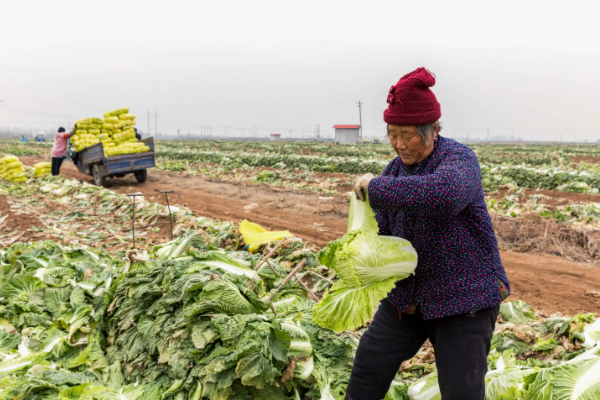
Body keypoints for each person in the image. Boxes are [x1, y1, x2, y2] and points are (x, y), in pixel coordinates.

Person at [347, 68, 510, 400]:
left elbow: (444, 195)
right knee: (368, 367)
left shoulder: (459, 160)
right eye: (392, 134)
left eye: (407, 134)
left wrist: (375, 188)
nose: (399, 144)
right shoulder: (393, 171)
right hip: (408, 298)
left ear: (433, 129)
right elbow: (386, 234)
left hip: (464, 299)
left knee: (461, 391)